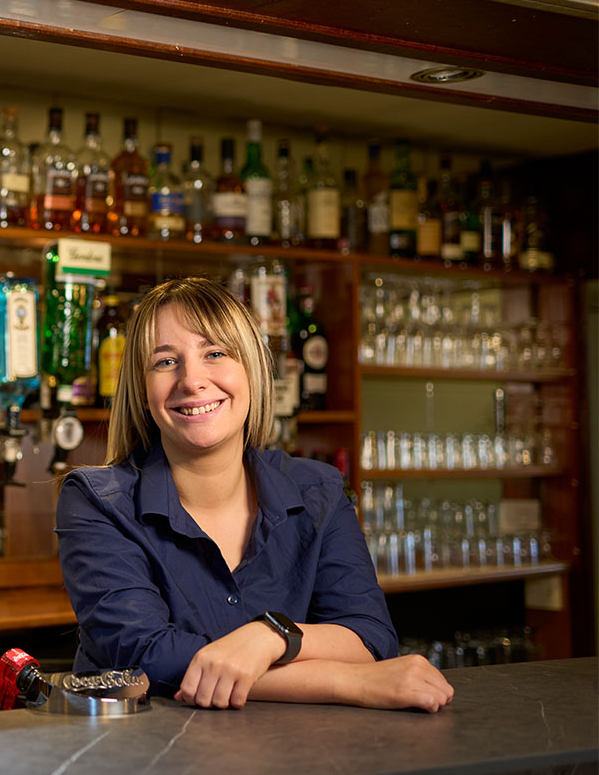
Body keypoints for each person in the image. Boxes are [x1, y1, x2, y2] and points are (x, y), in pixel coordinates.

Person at [55, 277, 453, 712]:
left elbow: (370, 636)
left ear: (252, 369)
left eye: (215, 353)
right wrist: (350, 681)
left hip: (297, 762)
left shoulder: (317, 491)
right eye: (166, 362)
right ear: (141, 390)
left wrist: (269, 636)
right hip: (151, 765)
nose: (193, 380)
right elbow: (146, 657)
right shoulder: (97, 501)